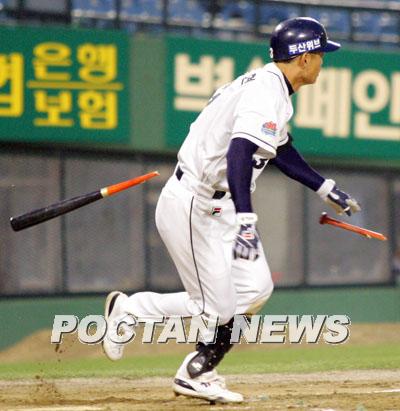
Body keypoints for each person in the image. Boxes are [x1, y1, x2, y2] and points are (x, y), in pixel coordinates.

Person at [102, 17, 361, 403]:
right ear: (303, 58)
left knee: (254, 289)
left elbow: (280, 148)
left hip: (218, 207)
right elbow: (238, 152)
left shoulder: (273, 89)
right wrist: (247, 218)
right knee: (216, 305)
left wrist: (323, 187)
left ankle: (135, 313)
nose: (323, 61)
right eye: (321, 54)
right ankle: (194, 370)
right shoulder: (265, 93)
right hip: (195, 203)